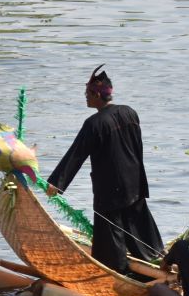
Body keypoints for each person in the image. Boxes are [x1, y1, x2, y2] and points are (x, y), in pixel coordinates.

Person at [46, 65, 164, 273]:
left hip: (110, 190)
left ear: (96, 95)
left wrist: (57, 183)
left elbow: (76, 155)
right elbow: (138, 148)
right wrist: (138, 178)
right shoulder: (130, 112)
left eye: (87, 94)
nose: (85, 98)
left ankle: (116, 271)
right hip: (135, 182)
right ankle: (155, 259)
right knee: (140, 227)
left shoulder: (94, 124)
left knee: (111, 235)